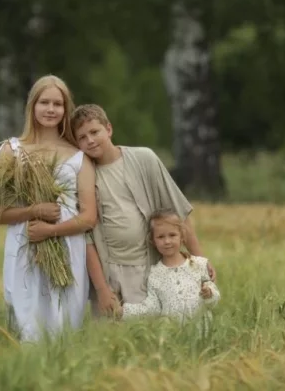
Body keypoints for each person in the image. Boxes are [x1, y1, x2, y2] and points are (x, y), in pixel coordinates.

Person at [70, 103, 216, 318]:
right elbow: (87, 239)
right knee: (114, 339)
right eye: (82, 137)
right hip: (110, 273)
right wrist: (101, 289)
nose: (90, 140)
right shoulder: (84, 176)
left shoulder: (143, 159)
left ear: (108, 129)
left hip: (152, 268)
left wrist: (200, 262)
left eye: (94, 132)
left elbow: (179, 213)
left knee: (158, 331)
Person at [0, 75, 97, 342]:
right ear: (32, 106)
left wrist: (51, 230)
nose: (51, 110)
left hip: (68, 248)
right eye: (44, 102)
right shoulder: (10, 151)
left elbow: (89, 217)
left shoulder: (78, 156)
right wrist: (33, 211)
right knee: (27, 325)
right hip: (26, 245)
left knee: (64, 325)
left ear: (65, 109)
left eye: (58, 104)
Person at [116, 209, 220, 322]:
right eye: (161, 237)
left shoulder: (198, 264)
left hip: (201, 333)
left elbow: (214, 297)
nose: (167, 241)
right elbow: (153, 307)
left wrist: (209, 294)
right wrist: (123, 312)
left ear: (182, 236)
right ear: (153, 241)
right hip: (173, 334)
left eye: (172, 235)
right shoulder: (155, 273)